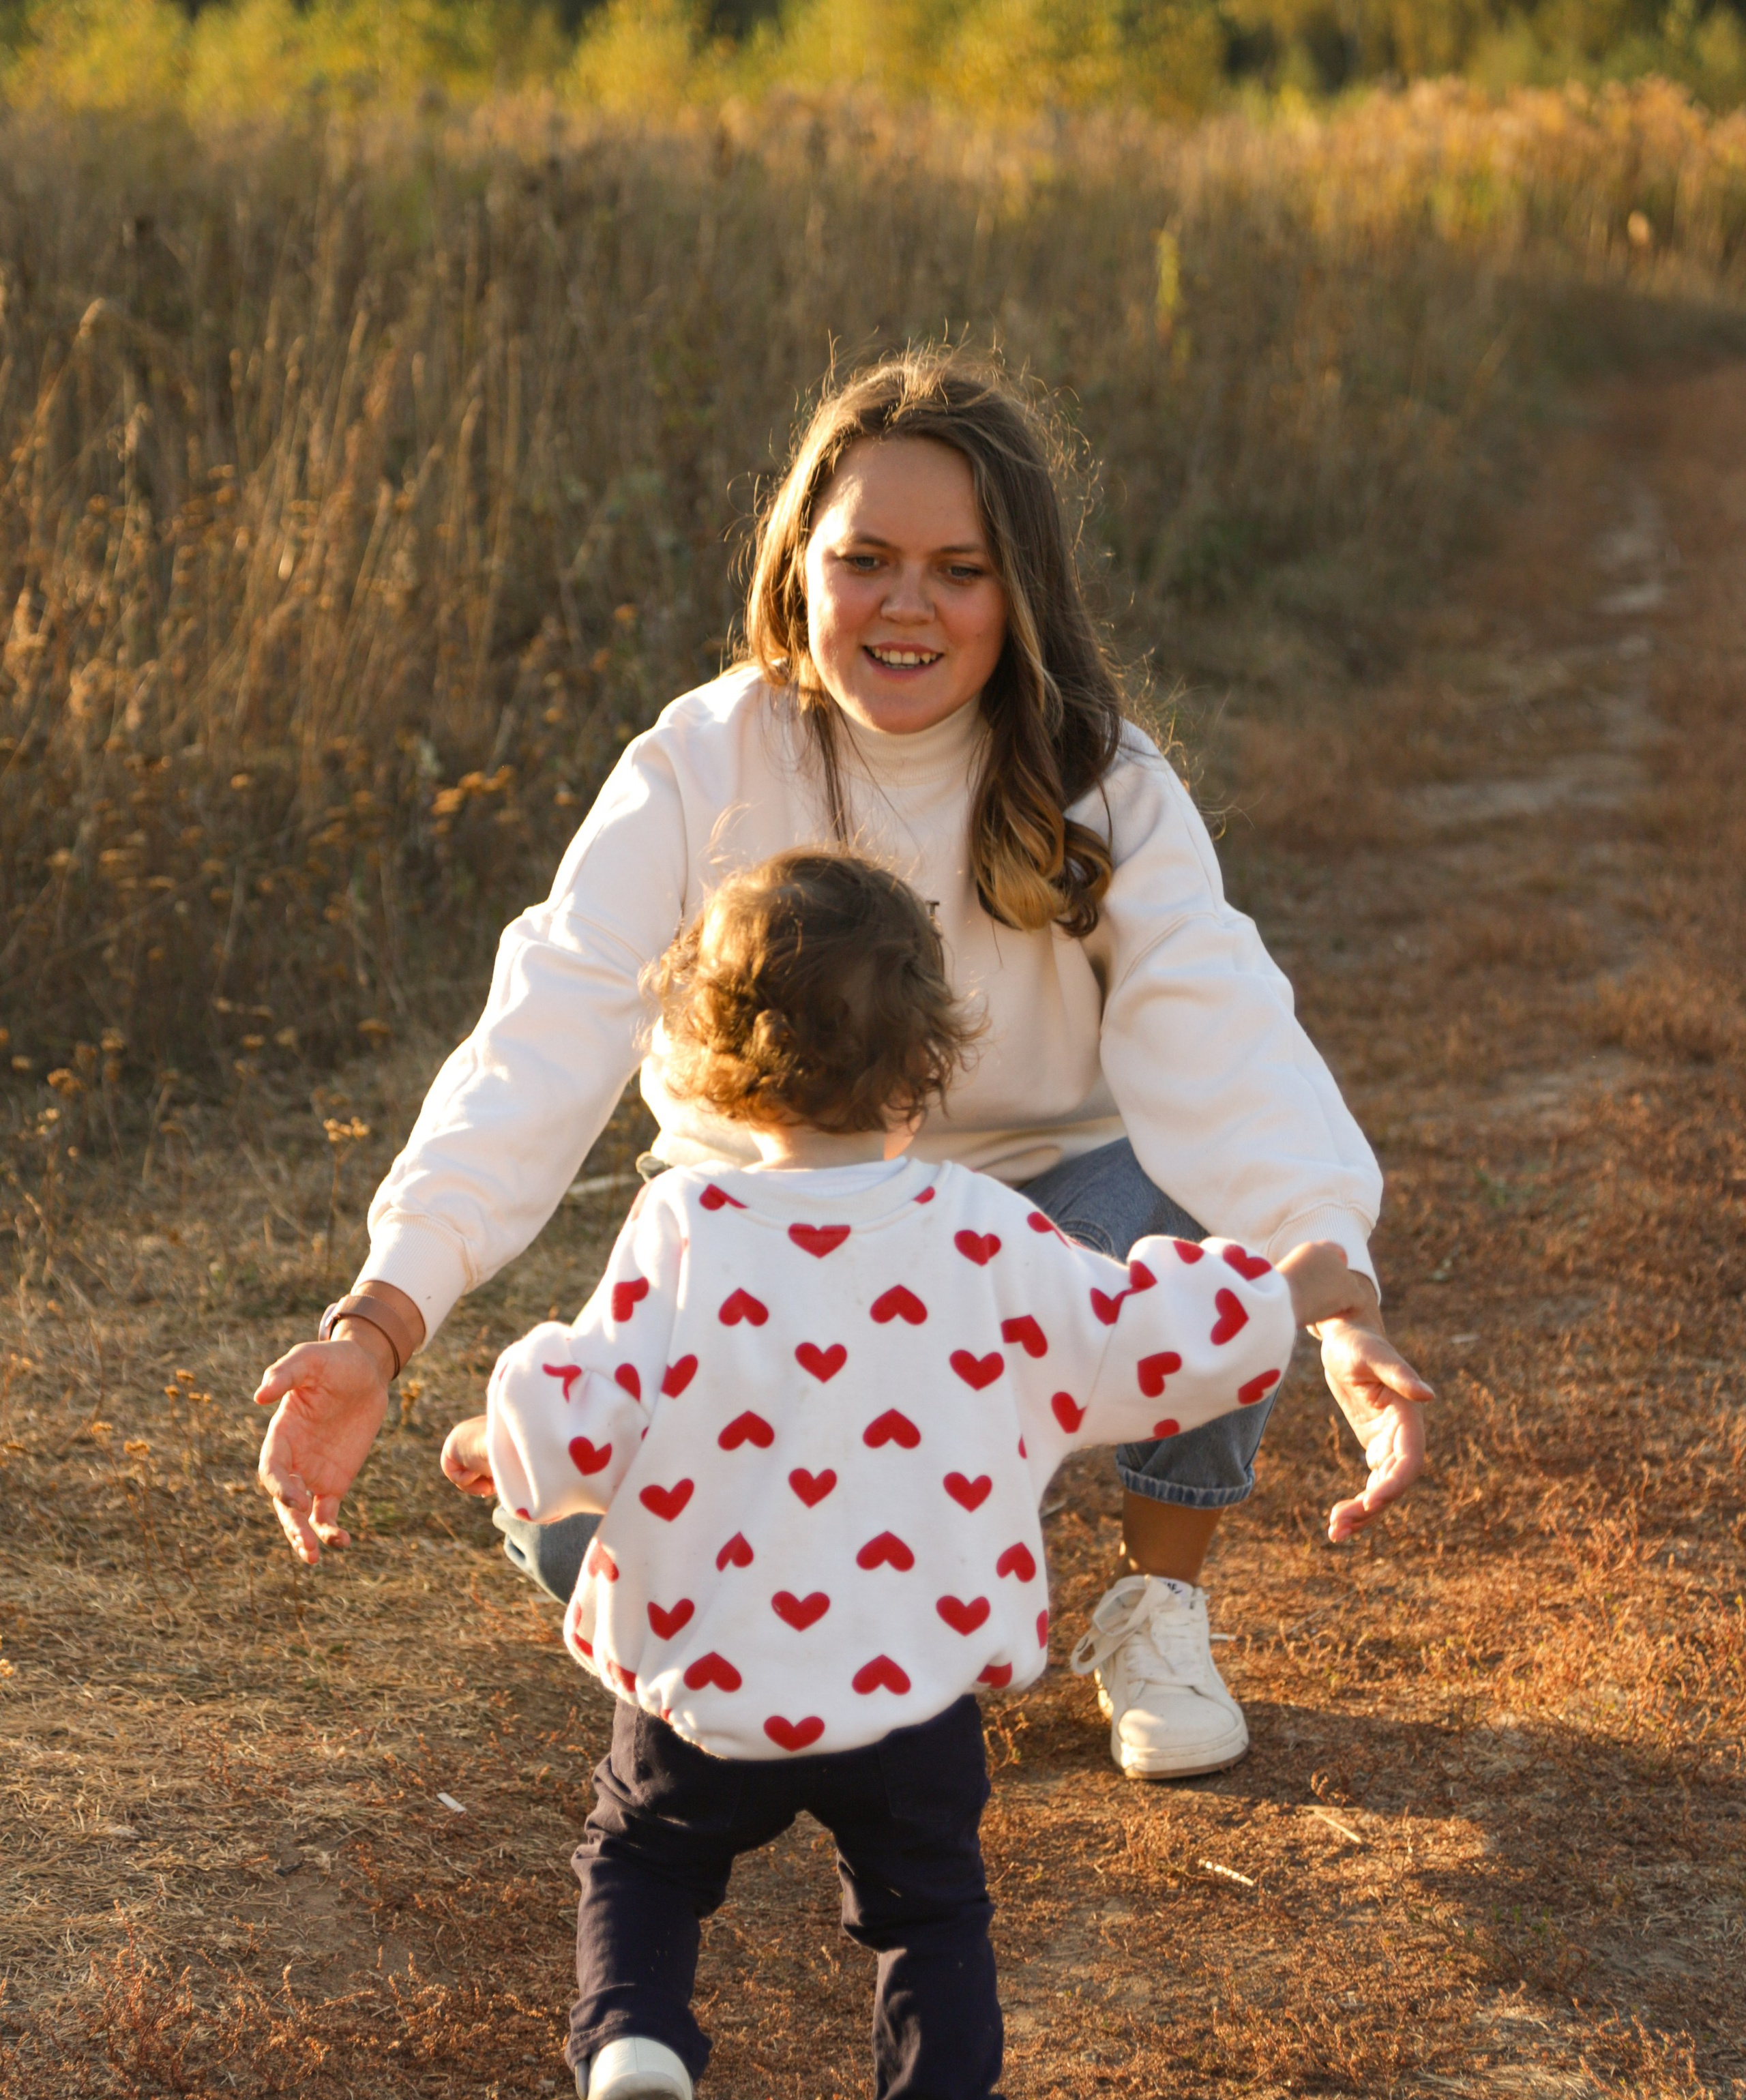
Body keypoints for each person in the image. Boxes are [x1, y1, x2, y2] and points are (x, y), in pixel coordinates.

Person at [256, 346, 1432, 1782]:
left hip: (1043, 1211)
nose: (905, 606)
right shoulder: (701, 758)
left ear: (1020, 590)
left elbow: (1222, 1030)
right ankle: (833, 1611)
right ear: (798, 565)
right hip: (758, 1214)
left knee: (1215, 1215)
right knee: (573, 1536)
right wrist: (380, 1320)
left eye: (958, 570)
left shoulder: (1100, 780)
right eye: (865, 560)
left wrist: (1334, 1285)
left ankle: (1155, 1605)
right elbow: (545, 1024)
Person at [439, 851, 1374, 2100]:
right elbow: (1140, 1343)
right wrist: (1289, 1289)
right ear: (926, 1063)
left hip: (704, 1682)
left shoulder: (683, 1225)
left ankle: (634, 2049)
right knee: (928, 1912)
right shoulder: (981, 1234)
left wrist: (501, 1430)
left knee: (642, 1863)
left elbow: (592, 1402)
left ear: (708, 1061)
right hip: (908, 1683)